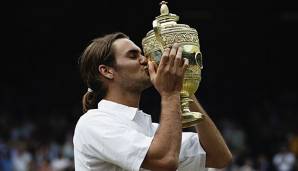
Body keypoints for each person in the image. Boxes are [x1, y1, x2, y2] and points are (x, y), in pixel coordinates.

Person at [73, 32, 232, 171]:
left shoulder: (152, 131)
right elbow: (165, 160)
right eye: (133, 55)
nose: (144, 60)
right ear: (107, 71)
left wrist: (184, 88)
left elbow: (219, 157)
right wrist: (170, 93)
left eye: (142, 54)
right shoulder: (93, 123)